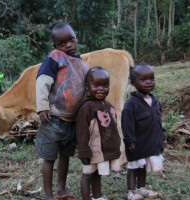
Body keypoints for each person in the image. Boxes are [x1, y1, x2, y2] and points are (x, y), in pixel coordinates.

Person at [35, 22, 89, 200]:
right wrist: (42, 106)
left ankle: (61, 189)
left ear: (76, 38)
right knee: (49, 158)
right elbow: (43, 81)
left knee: (65, 156)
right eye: (62, 43)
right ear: (55, 46)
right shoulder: (55, 57)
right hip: (53, 119)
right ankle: (49, 195)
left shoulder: (82, 64)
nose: (68, 45)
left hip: (73, 121)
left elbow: (88, 89)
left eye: (71, 40)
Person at [76, 67, 121, 200]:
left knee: (97, 173)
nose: (101, 89)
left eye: (105, 85)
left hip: (103, 150)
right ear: (87, 86)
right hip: (92, 151)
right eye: (96, 85)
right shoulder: (86, 107)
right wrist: (83, 150)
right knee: (87, 175)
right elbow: (82, 131)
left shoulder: (108, 105)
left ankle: (97, 196)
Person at [121, 64, 164, 200]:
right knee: (134, 165)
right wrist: (130, 140)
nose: (148, 82)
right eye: (143, 80)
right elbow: (126, 124)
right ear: (133, 83)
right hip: (136, 143)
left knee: (143, 166)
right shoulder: (131, 104)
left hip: (149, 142)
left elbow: (157, 121)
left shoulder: (155, 101)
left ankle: (141, 188)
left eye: (151, 79)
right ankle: (131, 191)